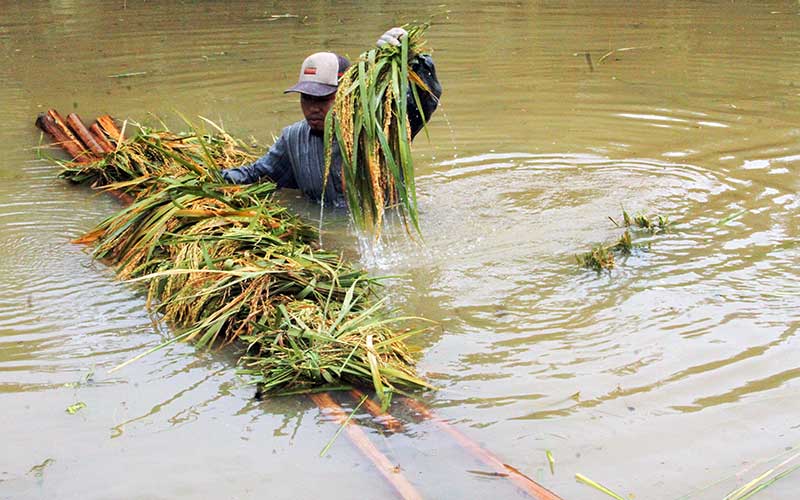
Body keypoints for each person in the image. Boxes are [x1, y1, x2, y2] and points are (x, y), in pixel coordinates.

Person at [221, 27, 442, 208]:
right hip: (328, 237)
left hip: (389, 230)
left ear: (348, 94)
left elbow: (426, 98)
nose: (312, 109)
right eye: (307, 99)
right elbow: (258, 175)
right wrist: (210, 178)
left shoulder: (381, 128)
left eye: (323, 99)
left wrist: (412, 60)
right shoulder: (293, 139)